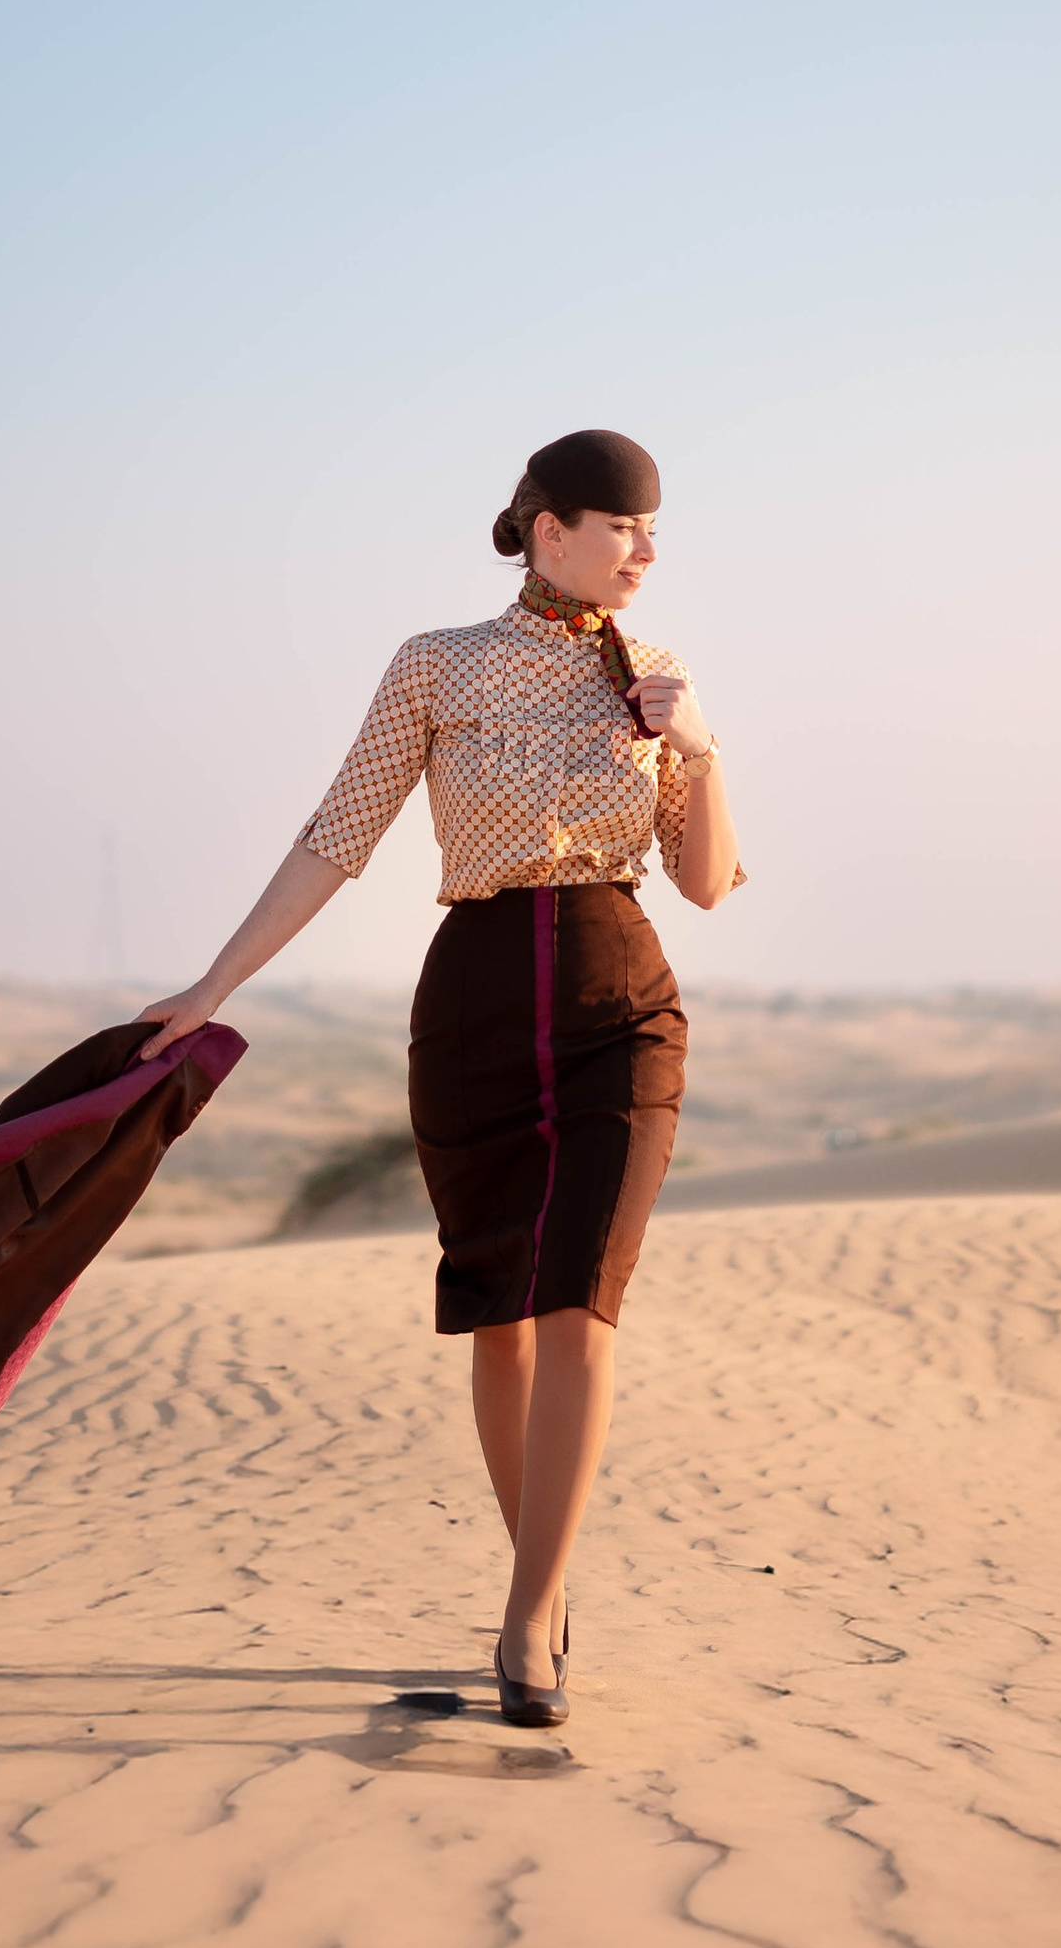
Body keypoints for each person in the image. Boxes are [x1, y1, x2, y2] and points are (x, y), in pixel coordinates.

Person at [136, 426, 742, 1728]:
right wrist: (212, 987)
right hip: (471, 1002)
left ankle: (530, 1622)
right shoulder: (438, 665)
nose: (647, 549)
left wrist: (695, 743)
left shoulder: (661, 673)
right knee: (500, 1311)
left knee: (584, 1299)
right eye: (624, 523)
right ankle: (545, 1580)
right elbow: (336, 836)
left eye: (651, 527)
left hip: (617, 997)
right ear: (547, 527)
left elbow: (703, 881)